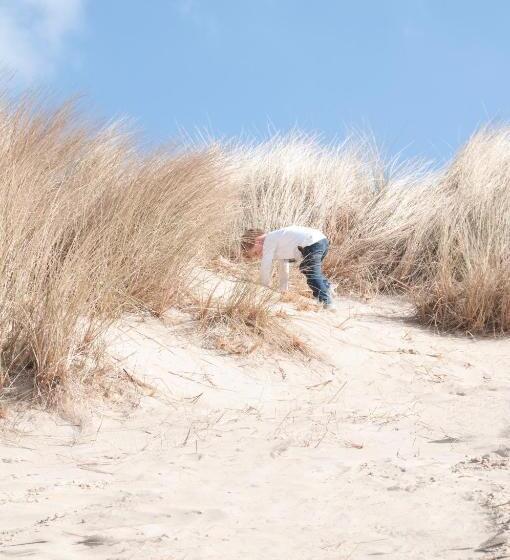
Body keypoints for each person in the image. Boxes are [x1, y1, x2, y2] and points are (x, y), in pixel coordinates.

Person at [241, 225, 335, 309]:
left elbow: (266, 265)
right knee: (306, 268)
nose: (259, 257)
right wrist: (283, 290)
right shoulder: (278, 241)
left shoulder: (270, 239)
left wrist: (263, 286)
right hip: (321, 240)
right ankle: (327, 287)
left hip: (312, 242)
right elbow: (283, 265)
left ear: (258, 241)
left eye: (256, 253)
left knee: (312, 273)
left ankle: (327, 302)